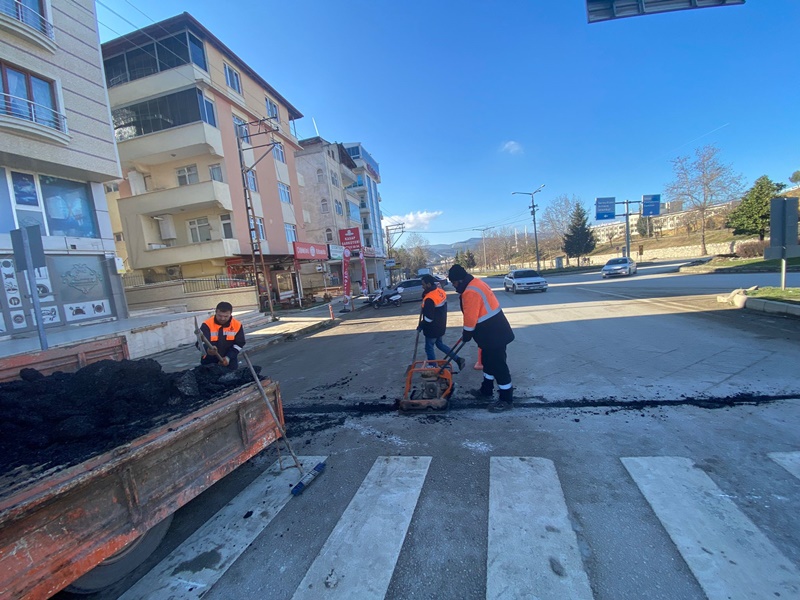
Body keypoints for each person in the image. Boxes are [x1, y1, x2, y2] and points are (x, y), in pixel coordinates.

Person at [447, 264, 515, 412]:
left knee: (498, 366)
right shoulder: (476, 283)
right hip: (492, 331)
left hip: (494, 333)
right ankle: (486, 390)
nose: (454, 286)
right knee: (488, 362)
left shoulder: (470, 291)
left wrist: (467, 333)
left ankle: (506, 399)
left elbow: (471, 318)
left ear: (459, 280)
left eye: (454, 283)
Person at [417, 275, 465, 371]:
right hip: (441, 325)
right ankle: (458, 359)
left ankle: (433, 366)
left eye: (423, 285)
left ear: (429, 284)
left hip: (432, 329)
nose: (422, 286)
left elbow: (429, 319)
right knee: (439, 344)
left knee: (429, 347)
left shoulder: (429, 298)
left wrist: (421, 325)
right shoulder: (440, 291)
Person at [198, 301, 245, 369]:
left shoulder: (237, 325)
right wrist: (207, 350)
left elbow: (239, 344)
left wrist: (228, 357)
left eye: (226, 316)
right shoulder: (207, 325)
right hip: (209, 362)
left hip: (230, 363)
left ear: (230, 314)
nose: (222, 319)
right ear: (216, 312)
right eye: (220, 316)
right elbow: (199, 343)